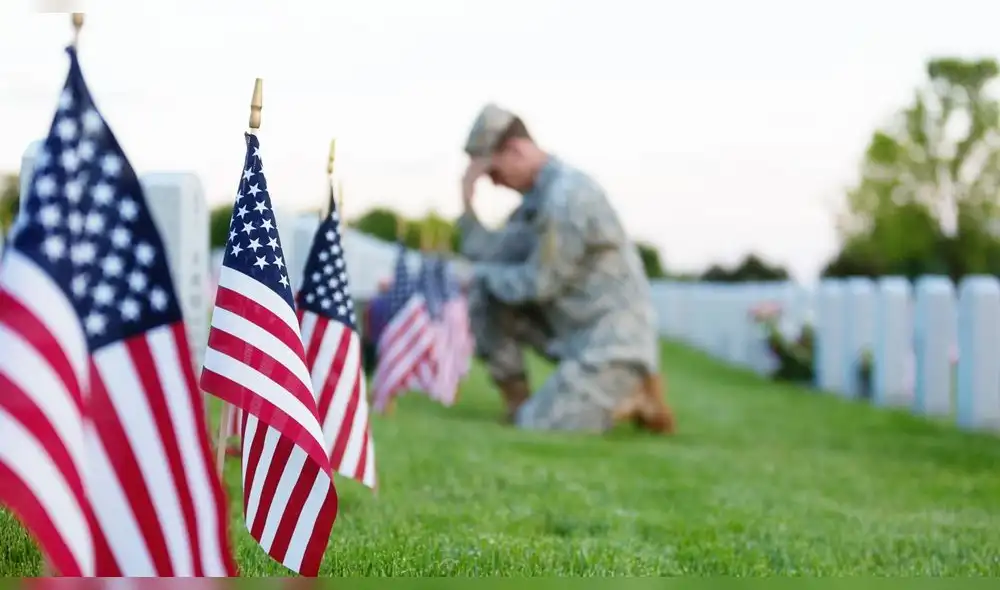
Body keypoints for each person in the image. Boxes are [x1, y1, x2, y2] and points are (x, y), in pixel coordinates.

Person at [457, 103, 675, 434]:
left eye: (494, 173)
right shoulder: (535, 201)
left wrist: (477, 276)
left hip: (611, 341)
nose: (495, 184)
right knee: (484, 294)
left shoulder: (567, 198)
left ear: (515, 150)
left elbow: (537, 285)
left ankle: (633, 394)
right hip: (571, 330)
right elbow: (488, 258)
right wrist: (467, 204)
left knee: (538, 425)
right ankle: (519, 402)